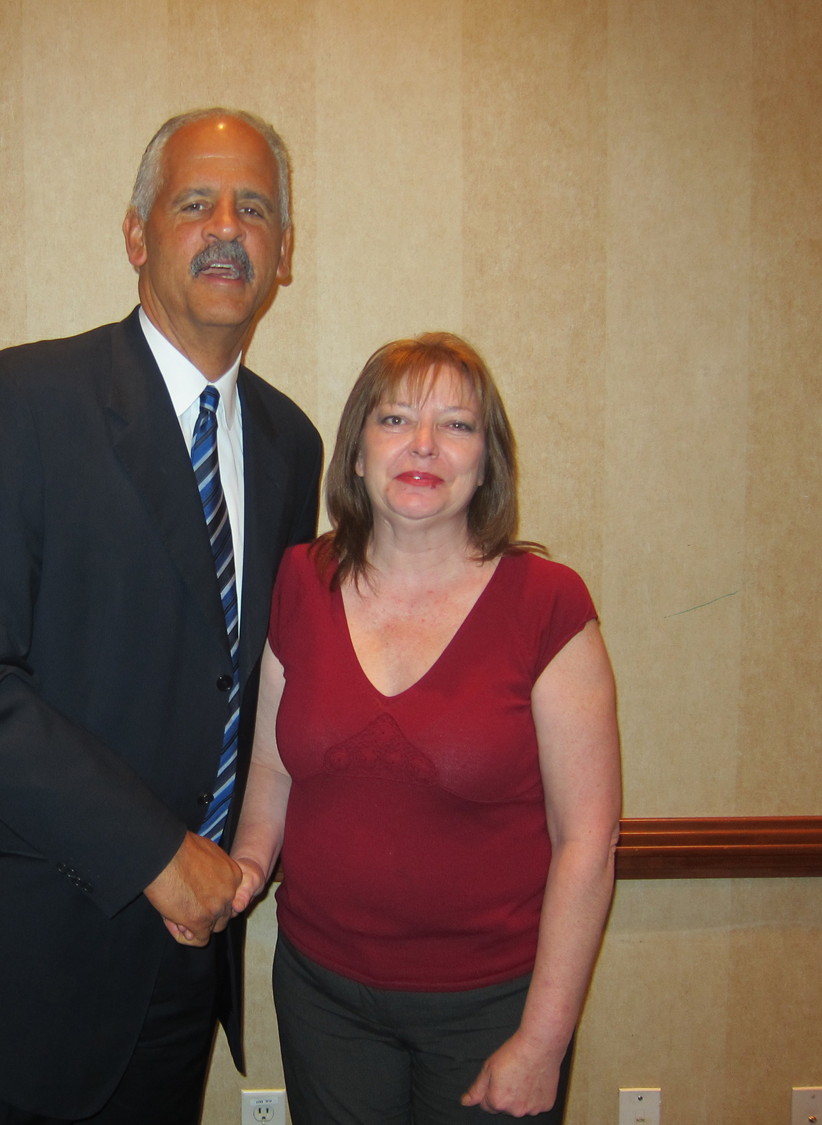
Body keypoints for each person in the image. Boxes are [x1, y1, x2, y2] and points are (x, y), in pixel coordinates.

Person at [0, 108, 323, 1125]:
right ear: (136, 235)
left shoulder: (292, 444)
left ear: (285, 252)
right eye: (196, 203)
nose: (228, 228)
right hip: (12, 983)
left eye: (255, 209)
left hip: (177, 983)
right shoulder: (17, 402)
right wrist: (157, 855)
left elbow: (256, 681)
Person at [229, 333, 621, 1123]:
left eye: (457, 425)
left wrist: (543, 1041)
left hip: (491, 1006)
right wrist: (244, 866)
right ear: (357, 453)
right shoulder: (301, 580)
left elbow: (587, 839)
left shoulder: (548, 604)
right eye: (396, 418)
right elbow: (272, 767)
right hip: (322, 996)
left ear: (487, 462)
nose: (424, 444)